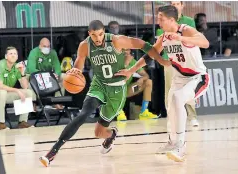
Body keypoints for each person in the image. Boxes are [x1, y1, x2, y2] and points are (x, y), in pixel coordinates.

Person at [39, 20, 168, 167]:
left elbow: (144, 45)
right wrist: (74, 74)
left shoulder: (116, 41)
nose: (98, 38)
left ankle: (111, 133)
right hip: (98, 85)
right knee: (83, 114)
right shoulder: (85, 45)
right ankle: (53, 151)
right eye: (94, 35)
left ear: (104, 31)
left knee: (99, 132)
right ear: (89, 34)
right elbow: (79, 65)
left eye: (100, 34)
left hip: (117, 90)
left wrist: (160, 60)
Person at [115, 5, 210, 162]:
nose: (158, 21)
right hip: (179, 78)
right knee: (171, 106)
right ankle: (172, 141)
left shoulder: (185, 30)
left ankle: (180, 145)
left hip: (197, 77)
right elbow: (151, 53)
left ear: (172, 20)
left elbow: (205, 43)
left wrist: (181, 39)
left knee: (178, 99)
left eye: (161, 19)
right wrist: (132, 70)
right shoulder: (164, 37)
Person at [156, 1, 199, 127]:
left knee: (189, 87)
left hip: (186, 60)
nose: (175, 5)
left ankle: (192, 117)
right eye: (172, 3)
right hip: (170, 60)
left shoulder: (189, 21)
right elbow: (161, 38)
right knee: (170, 90)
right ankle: (172, 117)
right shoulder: (163, 19)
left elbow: (193, 38)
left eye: (177, 3)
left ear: (182, 5)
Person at [0, 46, 34, 130]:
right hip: (0, 93)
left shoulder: (17, 67)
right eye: (11, 54)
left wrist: (22, 73)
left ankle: (22, 122)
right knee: (2, 92)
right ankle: (0, 123)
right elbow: (0, 86)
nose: (13, 55)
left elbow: (25, 86)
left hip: (7, 93)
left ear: (17, 57)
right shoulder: (0, 65)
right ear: (6, 56)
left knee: (28, 92)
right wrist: (17, 90)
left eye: (15, 54)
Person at [117, 49, 157, 121]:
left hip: (127, 91)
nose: (125, 52)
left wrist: (141, 79)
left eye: (127, 50)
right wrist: (126, 63)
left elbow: (146, 75)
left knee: (148, 82)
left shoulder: (132, 61)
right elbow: (118, 80)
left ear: (130, 51)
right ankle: (118, 111)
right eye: (123, 50)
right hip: (115, 91)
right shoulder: (115, 60)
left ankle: (144, 112)